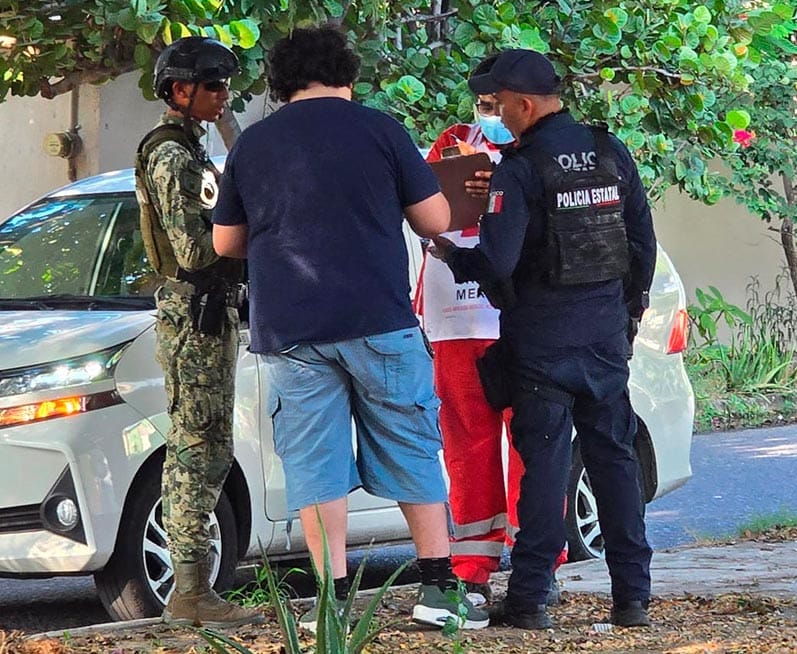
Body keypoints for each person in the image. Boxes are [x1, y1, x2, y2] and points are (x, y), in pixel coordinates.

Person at [210, 26, 488, 633]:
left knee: (316, 462)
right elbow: (433, 219)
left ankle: (331, 604)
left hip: (291, 331)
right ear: (348, 77)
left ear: (280, 83)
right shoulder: (382, 131)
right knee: (412, 443)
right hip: (378, 320)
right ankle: (438, 590)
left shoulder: (252, 146)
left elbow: (225, 242)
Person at [429, 49, 657, 630]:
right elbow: (642, 247)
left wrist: (452, 253)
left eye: (496, 103)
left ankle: (529, 600)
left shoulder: (520, 169)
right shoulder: (611, 152)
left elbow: (499, 262)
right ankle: (633, 596)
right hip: (605, 341)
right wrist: (624, 318)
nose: (492, 113)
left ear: (524, 104)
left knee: (545, 470)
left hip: (542, 346)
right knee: (614, 464)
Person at [417, 55, 566, 605]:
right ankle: (472, 563)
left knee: (533, 442)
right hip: (455, 316)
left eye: (497, 102)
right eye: (484, 103)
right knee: (466, 440)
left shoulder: (539, 154)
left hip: (521, 315)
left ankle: (538, 561)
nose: (490, 113)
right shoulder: (452, 141)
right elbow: (426, 209)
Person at [134, 36, 261, 628]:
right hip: (197, 316)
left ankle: (194, 588)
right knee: (197, 450)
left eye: (224, 84)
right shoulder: (173, 156)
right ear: (179, 90)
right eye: (212, 85)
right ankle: (188, 589)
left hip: (209, 313)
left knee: (208, 447)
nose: (222, 94)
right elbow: (193, 247)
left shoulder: (188, 150)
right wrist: (248, 218)